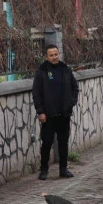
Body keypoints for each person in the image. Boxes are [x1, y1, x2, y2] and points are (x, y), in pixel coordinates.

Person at [32, 44, 80, 180]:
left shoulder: (65, 70)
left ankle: (63, 169)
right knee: (46, 143)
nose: (54, 57)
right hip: (48, 115)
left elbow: (75, 88)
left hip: (64, 114)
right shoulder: (41, 71)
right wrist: (40, 111)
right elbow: (36, 93)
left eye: (56, 54)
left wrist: (71, 103)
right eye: (51, 55)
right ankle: (44, 170)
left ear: (59, 54)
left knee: (63, 142)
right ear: (46, 57)